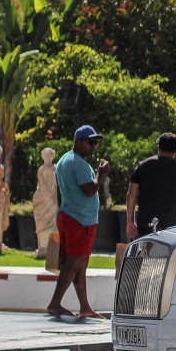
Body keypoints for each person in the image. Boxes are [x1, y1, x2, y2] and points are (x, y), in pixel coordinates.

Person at [45, 125, 110, 320]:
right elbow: (90, 189)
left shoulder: (64, 160)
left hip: (68, 215)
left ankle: (85, 307)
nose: (94, 146)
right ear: (79, 142)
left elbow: (59, 192)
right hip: (80, 220)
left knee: (80, 262)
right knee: (73, 262)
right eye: (90, 142)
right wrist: (101, 173)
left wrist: (62, 210)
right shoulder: (78, 163)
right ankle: (55, 303)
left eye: (95, 142)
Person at [126, 132, 176, 238]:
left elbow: (131, 194)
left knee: (145, 254)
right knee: (168, 255)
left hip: (145, 224)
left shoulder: (143, 166)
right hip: (171, 226)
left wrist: (130, 222)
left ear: (159, 148)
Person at [32, 147, 58, 258]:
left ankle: (50, 248)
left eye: (49, 156)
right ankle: (43, 247)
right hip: (46, 197)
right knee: (45, 222)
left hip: (52, 198)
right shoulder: (43, 169)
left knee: (53, 222)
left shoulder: (54, 169)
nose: (47, 158)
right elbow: (41, 184)